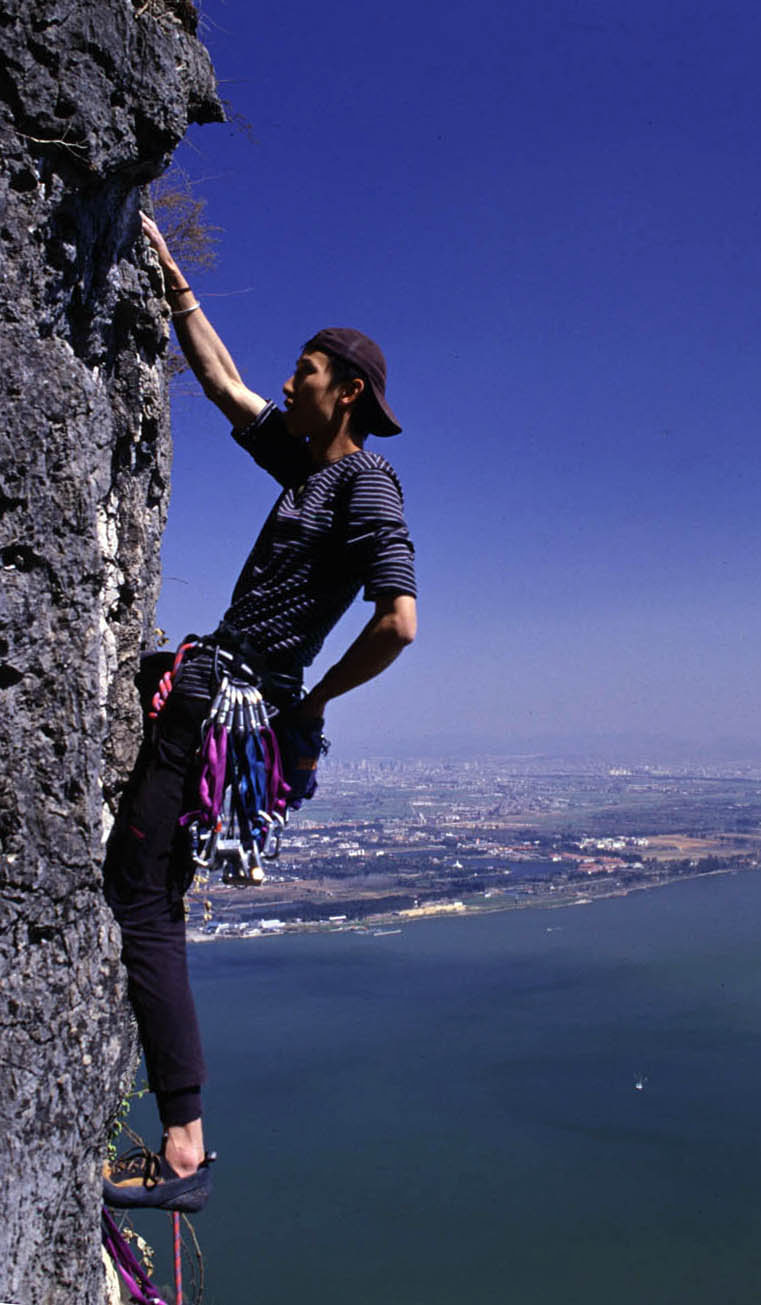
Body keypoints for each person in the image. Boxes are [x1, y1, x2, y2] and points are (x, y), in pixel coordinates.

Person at [102, 212, 417, 1211]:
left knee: (139, 894)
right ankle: (182, 1129)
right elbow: (226, 387)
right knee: (157, 890)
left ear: (347, 391)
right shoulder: (309, 471)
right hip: (220, 690)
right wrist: (177, 285)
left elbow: (398, 621)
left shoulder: (363, 483)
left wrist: (309, 698)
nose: (290, 386)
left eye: (307, 374)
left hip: (227, 702)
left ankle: (184, 1146)